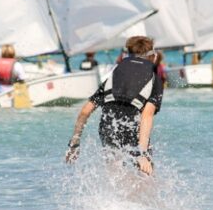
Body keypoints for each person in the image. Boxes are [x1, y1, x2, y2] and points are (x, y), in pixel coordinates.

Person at [65, 36, 164, 175]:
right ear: (152, 56)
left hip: (108, 127)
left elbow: (85, 111)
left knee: (114, 175)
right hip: (132, 128)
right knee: (145, 174)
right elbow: (147, 116)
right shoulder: (155, 79)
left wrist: (74, 143)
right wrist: (142, 153)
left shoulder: (112, 77)